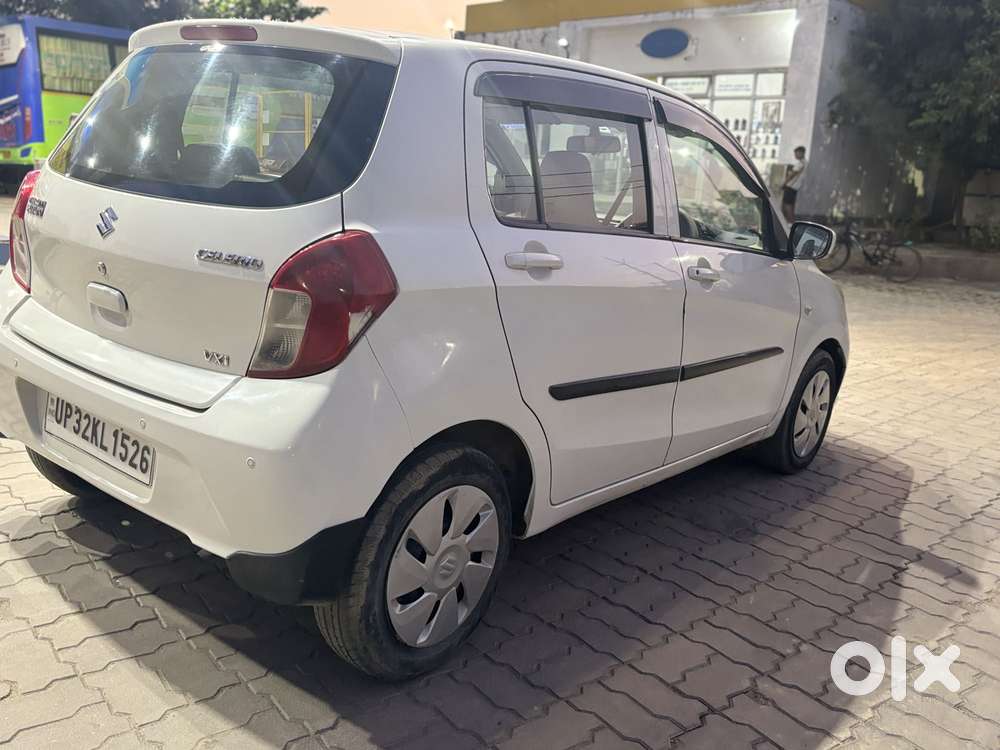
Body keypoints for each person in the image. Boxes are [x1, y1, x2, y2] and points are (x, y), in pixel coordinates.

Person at [782, 146, 808, 223]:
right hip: (795, 188)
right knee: (790, 205)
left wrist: (784, 183)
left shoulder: (801, 163)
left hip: (791, 186)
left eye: (796, 153)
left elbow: (792, 175)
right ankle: (791, 221)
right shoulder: (804, 162)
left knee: (787, 205)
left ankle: (790, 222)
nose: (795, 155)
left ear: (801, 153)